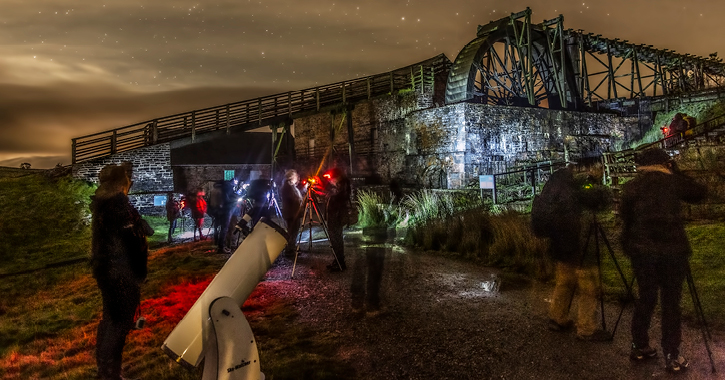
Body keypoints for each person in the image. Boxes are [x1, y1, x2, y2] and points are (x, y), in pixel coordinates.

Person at [620, 148, 706, 373]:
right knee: (671, 303)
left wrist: (630, 246)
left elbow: (625, 220)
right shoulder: (673, 183)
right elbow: (699, 193)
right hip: (672, 251)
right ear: (663, 164)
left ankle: (639, 345)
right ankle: (672, 354)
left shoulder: (632, 187)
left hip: (642, 252)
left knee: (646, 298)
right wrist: (676, 171)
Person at [531, 162, 611, 341]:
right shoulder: (581, 184)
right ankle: (586, 328)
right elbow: (598, 198)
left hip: (560, 242)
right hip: (579, 242)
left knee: (565, 281)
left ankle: (557, 318)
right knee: (589, 285)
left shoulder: (557, 180)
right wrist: (596, 180)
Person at [90, 163, 152, 380]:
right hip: (120, 272)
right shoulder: (118, 205)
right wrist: (139, 271)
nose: (130, 180)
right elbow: (130, 243)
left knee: (111, 320)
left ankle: (106, 371)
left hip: (108, 270)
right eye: (127, 176)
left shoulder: (105, 205)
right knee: (119, 323)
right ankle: (110, 374)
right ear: (120, 182)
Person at [324, 167, 352, 272]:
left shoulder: (342, 187)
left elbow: (339, 201)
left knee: (336, 240)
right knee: (334, 239)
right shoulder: (340, 185)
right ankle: (337, 260)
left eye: (332, 179)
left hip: (336, 217)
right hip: (334, 217)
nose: (331, 181)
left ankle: (340, 262)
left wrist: (331, 195)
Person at [280, 169, 306, 255]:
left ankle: (291, 247)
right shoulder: (288, 187)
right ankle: (290, 250)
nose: (297, 179)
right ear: (291, 177)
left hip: (293, 212)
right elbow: (293, 198)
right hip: (292, 213)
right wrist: (300, 201)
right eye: (296, 177)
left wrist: (304, 189)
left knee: (294, 231)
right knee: (292, 231)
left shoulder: (290, 186)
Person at [209, 180, 237, 253]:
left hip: (216, 211)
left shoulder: (214, 189)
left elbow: (210, 201)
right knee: (224, 229)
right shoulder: (226, 189)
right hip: (225, 211)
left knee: (218, 228)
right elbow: (228, 199)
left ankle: (218, 243)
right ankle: (221, 247)